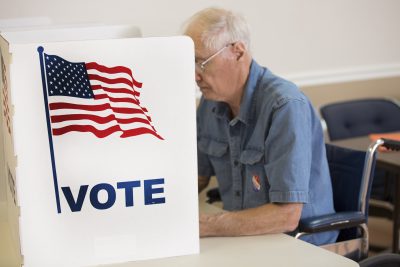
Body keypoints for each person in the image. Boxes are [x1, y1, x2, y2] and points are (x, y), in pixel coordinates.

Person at [183, 7, 338, 245]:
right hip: (246, 237)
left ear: (238, 52)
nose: (195, 76)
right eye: (190, 63)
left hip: (300, 244)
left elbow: (286, 216)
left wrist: (204, 225)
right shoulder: (210, 103)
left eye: (202, 63)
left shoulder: (284, 106)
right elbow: (198, 177)